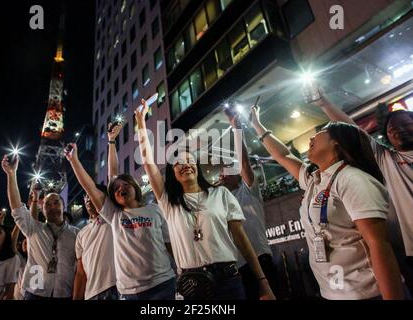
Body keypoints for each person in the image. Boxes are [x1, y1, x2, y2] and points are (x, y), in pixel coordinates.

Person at [250, 104, 405, 299]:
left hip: (366, 293)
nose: (312, 137)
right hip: (332, 293)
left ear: (337, 144)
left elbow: (378, 245)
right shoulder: (315, 179)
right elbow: (283, 155)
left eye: (321, 132)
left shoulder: (353, 180)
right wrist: (257, 125)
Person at [135, 99, 275, 300]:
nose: (185, 164)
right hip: (193, 285)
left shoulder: (221, 194)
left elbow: (242, 240)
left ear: (197, 167)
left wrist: (263, 282)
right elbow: (148, 161)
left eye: (189, 160)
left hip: (229, 279)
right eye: (178, 163)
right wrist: (141, 122)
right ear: (173, 174)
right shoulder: (169, 203)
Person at [65, 123, 176, 300]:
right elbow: (90, 186)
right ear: (113, 198)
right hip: (129, 292)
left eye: (126, 185)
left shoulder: (155, 209)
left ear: (135, 187)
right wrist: (74, 160)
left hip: (162, 284)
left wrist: (181, 270)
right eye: (115, 189)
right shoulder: (115, 216)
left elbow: (169, 244)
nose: (120, 189)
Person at [309, 91, 413, 262]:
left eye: (405, 124)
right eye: (392, 129)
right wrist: (322, 102)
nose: (398, 131)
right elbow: (354, 131)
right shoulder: (387, 159)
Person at [218, 110, 279, 299]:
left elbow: (244, 160)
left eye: (227, 171)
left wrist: (236, 127)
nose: (221, 175)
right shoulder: (220, 200)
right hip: (238, 266)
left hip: (260, 258)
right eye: (221, 172)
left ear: (238, 175)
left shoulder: (249, 191)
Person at [1, 155, 79, 300]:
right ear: (42, 210)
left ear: (63, 206)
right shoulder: (34, 228)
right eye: (47, 204)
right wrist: (12, 175)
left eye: (56, 202)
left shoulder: (77, 234)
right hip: (34, 293)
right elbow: (16, 207)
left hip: (64, 293)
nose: (52, 206)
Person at [73, 190, 118, 300]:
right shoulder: (81, 233)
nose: (88, 198)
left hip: (117, 287)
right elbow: (80, 273)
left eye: (92, 194)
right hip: (91, 293)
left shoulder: (115, 220)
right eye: (86, 196)